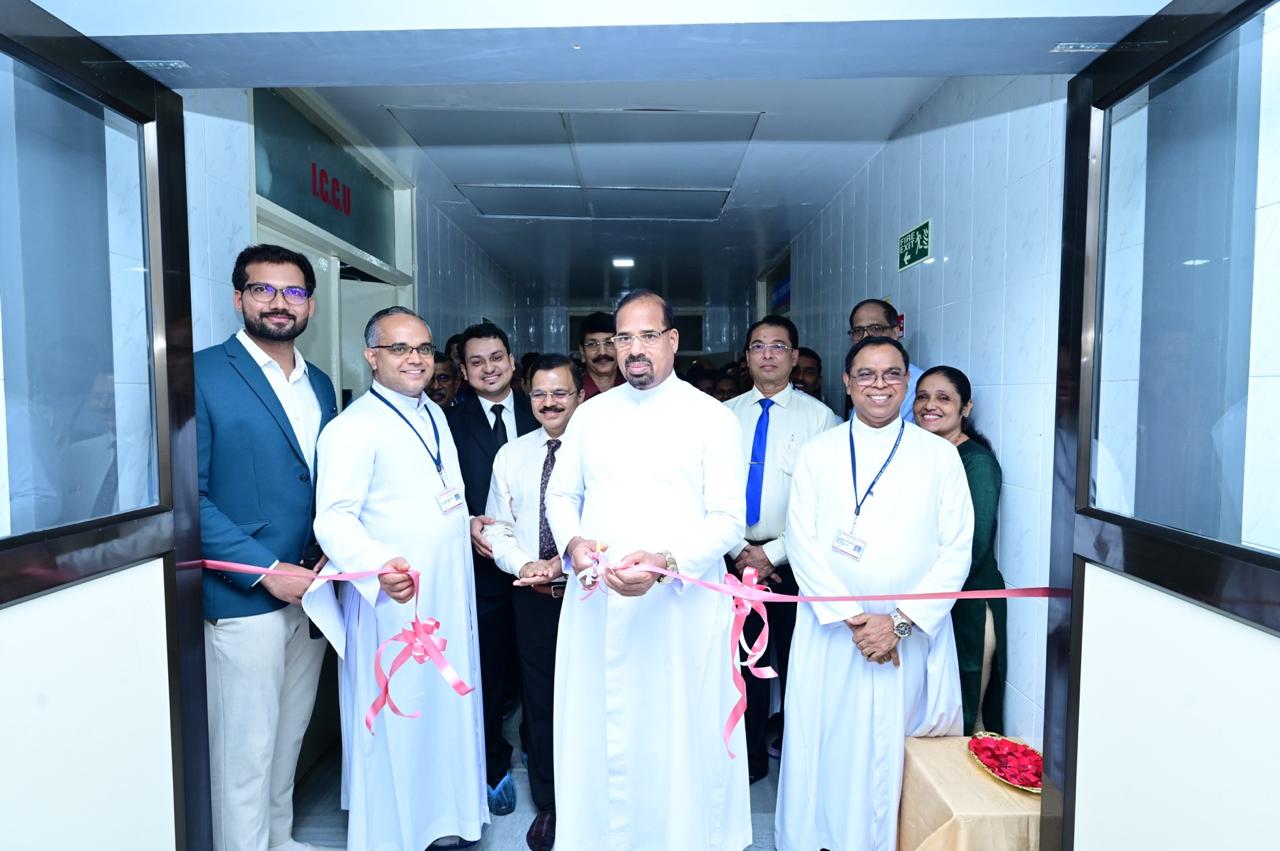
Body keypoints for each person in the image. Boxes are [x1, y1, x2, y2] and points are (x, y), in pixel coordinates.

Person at [545, 289, 751, 851]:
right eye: (624, 337)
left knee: (676, 731)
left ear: (673, 341)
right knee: (600, 727)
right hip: (598, 599)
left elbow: (729, 519)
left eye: (647, 336)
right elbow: (561, 496)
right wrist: (574, 543)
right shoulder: (591, 415)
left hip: (681, 607)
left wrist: (667, 563)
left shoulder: (711, 418)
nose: (634, 349)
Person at [776, 335, 973, 851]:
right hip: (834, 633)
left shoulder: (939, 456)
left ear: (906, 383)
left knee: (899, 749)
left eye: (891, 374)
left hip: (909, 635)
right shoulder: (818, 452)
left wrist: (898, 622)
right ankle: (823, 838)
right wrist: (855, 618)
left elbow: (957, 550)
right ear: (847, 383)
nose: (879, 385)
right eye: (866, 374)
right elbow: (801, 542)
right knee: (830, 742)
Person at [305, 306, 487, 850]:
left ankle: (446, 817)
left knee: (443, 708)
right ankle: (394, 833)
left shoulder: (433, 413)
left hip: (447, 590)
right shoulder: (352, 428)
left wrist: (467, 522)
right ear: (372, 356)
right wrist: (379, 566)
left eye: (424, 348)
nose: (416, 359)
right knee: (401, 711)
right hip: (394, 599)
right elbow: (333, 519)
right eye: (400, 348)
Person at [195, 244, 340, 851]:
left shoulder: (321, 384)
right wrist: (263, 569)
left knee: (288, 739)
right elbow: (189, 497)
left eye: (294, 292)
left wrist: (330, 550)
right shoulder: (200, 374)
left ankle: (279, 841)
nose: (280, 303)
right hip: (243, 597)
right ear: (239, 298)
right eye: (264, 289)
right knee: (244, 752)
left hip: (312, 592)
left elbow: (326, 483)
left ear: (311, 304)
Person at [724, 316, 839, 781]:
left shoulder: (821, 419)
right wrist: (738, 549)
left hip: (795, 564)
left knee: (797, 665)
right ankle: (748, 761)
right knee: (741, 667)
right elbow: (705, 492)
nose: (767, 354)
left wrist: (773, 554)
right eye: (758, 346)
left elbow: (828, 506)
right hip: (731, 561)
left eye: (778, 346)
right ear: (746, 357)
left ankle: (798, 764)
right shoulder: (723, 416)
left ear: (794, 356)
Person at [482, 354, 584, 851]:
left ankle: (594, 801)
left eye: (560, 392)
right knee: (540, 702)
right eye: (540, 393)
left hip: (591, 593)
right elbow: (497, 526)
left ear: (580, 395)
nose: (550, 402)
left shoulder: (601, 452)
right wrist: (525, 565)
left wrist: (568, 561)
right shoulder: (512, 455)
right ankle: (551, 805)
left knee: (592, 699)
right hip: (534, 597)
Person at [446, 321, 538, 814]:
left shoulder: (543, 408)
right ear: (463, 370)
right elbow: (438, 491)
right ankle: (493, 765)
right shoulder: (446, 422)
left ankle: (541, 757)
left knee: (539, 670)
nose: (489, 368)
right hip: (482, 570)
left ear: (512, 361)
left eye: (496, 357)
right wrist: (465, 523)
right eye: (476, 361)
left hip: (544, 568)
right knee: (488, 670)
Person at [914, 365, 1006, 734]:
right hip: (929, 598)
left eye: (943, 398)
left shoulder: (975, 462)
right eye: (922, 397)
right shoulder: (925, 455)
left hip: (966, 601)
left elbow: (973, 545)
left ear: (965, 408)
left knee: (963, 718)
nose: (930, 405)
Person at [848, 298, 922, 422]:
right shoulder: (858, 380)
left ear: (895, 333)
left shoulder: (920, 385)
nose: (866, 337)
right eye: (858, 331)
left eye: (876, 328)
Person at [578, 311, 622, 399]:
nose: (602, 352)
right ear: (582, 352)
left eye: (609, 343)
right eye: (592, 344)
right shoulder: (574, 393)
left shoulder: (635, 388)